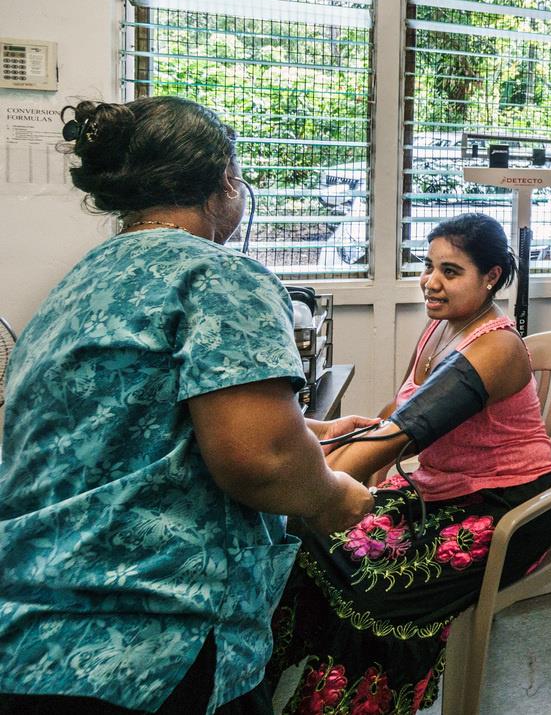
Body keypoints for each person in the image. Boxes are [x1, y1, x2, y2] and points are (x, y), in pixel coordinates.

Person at [0, 97, 375, 715]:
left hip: (32, 635)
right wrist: (335, 497)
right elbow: (262, 463)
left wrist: (304, 427)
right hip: (154, 641)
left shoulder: (77, 285)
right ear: (225, 181)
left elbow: (123, 419)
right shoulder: (220, 277)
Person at [265, 213, 551, 714]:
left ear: (490, 277)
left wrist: (309, 481)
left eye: (451, 271)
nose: (430, 282)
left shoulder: (496, 348)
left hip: (509, 508)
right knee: (311, 540)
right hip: (440, 489)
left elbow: (402, 435)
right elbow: (396, 413)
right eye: (428, 266)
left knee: (377, 592)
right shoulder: (441, 328)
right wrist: (336, 449)